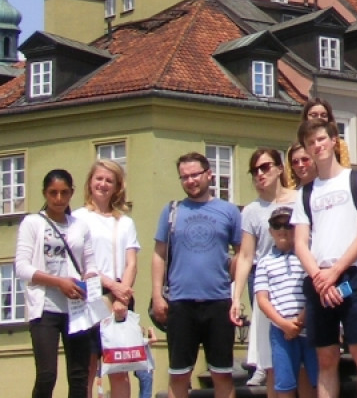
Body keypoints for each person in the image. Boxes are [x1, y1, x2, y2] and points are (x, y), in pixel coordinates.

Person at [291, 118, 357, 398]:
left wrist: (336, 272)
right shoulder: (306, 192)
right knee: (326, 356)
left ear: (333, 141)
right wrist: (320, 277)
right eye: (311, 142)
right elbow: (300, 243)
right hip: (319, 278)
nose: (317, 146)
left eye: (321, 139)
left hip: (352, 273)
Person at [151, 153, 242, 398]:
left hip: (218, 302)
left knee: (222, 374)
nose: (190, 181)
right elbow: (159, 254)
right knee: (179, 375)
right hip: (180, 302)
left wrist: (230, 279)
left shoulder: (229, 211)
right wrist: (157, 295)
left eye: (195, 175)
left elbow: (242, 254)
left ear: (209, 174)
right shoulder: (172, 211)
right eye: (185, 177)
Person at [17, 169, 97, 398]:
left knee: (79, 376)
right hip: (45, 308)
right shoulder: (32, 223)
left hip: (76, 309)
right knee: (47, 375)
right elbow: (21, 267)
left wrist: (89, 280)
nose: (59, 199)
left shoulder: (79, 226)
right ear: (45, 193)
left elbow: (90, 264)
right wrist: (59, 282)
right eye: (53, 193)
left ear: (72, 193)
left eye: (64, 193)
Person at [232, 147, 297, 393]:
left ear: (280, 168)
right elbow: (246, 256)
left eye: (265, 167)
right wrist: (236, 297)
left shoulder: (300, 198)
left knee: (302, 358)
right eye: (254, 170)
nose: (260, 174)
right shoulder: (252, 210)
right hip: (266, 283)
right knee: (270, 358)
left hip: (296, 279)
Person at [74, 160, 140, 398]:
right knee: (88, 367)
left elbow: (131, 262)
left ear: (117, 187)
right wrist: (112, 286)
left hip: (120, 297)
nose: (103, 184)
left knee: (119, 368)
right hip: (91, 297)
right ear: (90, 182)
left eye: (109, 180)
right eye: (99, 179)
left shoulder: (125, 222)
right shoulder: (78, 218)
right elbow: (80, 263)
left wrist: (122, 295)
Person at [255, 206, 318, 398]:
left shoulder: (308, 256)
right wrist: (283, 324)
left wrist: (300, 320)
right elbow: (262, 299)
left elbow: (314, 290)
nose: (282, 229)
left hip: (309, 325)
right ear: (270, 230)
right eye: (277, 225)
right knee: (284, 383)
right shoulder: (264, 262)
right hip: (280, 330)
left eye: (288, 225)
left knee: (314, 380)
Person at [301, 98, 351, 167]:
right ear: (306, 117)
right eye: (314, 115)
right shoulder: (296, 147)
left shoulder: (339, 144)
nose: (319, 118)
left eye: (323, 115)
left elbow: (346, 170)